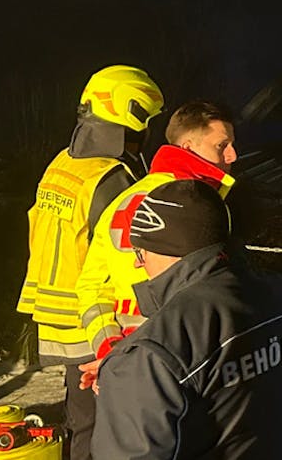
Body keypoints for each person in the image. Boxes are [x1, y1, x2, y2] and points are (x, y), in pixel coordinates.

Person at [92, 179, 282, 460]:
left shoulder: (151, 354)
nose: (137, 264)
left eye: (139, 252)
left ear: (168, 249)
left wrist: (131, 378)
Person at [17, 65, 163, 460]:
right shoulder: (112, 177)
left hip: (56, 309)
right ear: (130, 118)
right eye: (146, 121)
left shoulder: (62, 163)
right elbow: (128, 251)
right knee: (108, 420)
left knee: (82, 417)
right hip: (95, 314)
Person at [76, 100, 241, 383]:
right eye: (221, 145)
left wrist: (109, 348)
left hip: (130, 358)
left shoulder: (119, 203)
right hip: (193, 360)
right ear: (188, 148)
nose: (233, 155)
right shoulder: (200, 205)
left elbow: (92, 288)